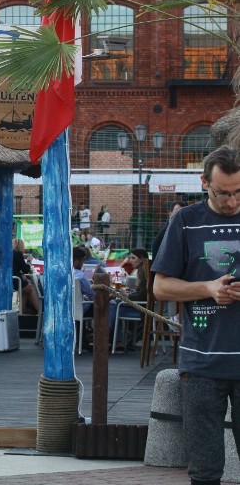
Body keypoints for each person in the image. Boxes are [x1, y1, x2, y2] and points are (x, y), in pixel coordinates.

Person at [152, 146, 240, 485]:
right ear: (205, 183)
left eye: (237, 192)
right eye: (223, 193)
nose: (232, 202)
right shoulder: (186, 221)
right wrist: (208, 288)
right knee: (204, 469)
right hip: (202, 363)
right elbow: (161, 287)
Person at [108, 247, 148, 351]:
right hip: (146, 305)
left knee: (113, 305)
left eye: (133, 258)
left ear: (142, 259)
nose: (130, 261)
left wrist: (126, 295)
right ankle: (118, 340)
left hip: (143, 306)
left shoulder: (143, 274)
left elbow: (142, 296)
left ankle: (111, 337)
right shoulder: (142, 271)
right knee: (115, 303)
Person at [12, 238, 41, 315]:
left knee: (26, 287)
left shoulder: (11, 253)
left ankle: (23, 309)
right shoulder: (18, 254)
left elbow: (15, 268)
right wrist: (28, 262)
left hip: (12, 278)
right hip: (15, 280)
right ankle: (40, 310)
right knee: (30, 287)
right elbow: (25, 269)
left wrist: (21, 274)